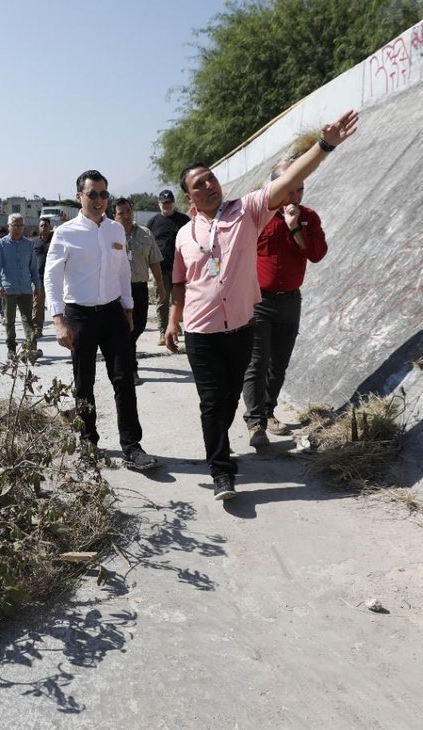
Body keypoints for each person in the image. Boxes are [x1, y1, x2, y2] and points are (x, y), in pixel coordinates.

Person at [164, 110, 358, 500]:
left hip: (239, 327)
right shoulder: (185, 234)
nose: (210, 185)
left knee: (232, 396)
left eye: (212, 178)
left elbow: (288, 179)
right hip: (201, 332)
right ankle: (221, 468)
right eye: (200, 184)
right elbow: (179, 282)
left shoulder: (247, 211)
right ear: (191, 196)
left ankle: (223, 442)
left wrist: (324, 146)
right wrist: (173, 321)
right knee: (210, 401)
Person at [44, 169, 157, 472]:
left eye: (103, 194)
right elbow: (51, 278)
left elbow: (122, 272)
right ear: (79, 195)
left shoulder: (115, 230)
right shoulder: (65, 233)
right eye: (92, 194)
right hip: (79, 316)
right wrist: (58, 321)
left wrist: (129, 308)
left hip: (113, 314)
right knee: (85, 383)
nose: (98, 200)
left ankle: (132, 447)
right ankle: (88, 442)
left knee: (124, 379)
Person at [242, 156, 329, 447]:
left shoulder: (308, 218)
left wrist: (295, 228)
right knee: (257, 361)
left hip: (290, 302)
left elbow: (316, 254)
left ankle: (268, 411)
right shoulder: (256, 217)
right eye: (289, 188)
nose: (294, 196)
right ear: (274, 187)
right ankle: (255, 423)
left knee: (279, 363)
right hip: (259, 301)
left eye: (299, 189)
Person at [113, 197, 166, 385]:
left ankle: (123, 356)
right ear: (115, 215)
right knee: (126, 329)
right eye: (121, 213)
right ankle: (130, 368)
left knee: (140, 325)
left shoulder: (145, 233)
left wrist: (160, 285)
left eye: (128, 211)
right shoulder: (110, 235)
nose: (126, 216)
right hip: (118, 290)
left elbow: (154, 261)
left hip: (139, 288)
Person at [0, 213, 42, 360]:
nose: (18, 229)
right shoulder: (1, 244)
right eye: (15, 226)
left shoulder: (28, 244)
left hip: (26, 289)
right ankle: (11, 348)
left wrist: (37, 285)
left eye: (21, 226)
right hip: (9, 289)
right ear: (9, 226)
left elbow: (33, 267)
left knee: (28, 320)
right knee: (10, 320)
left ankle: (31, 348)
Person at [148, 189, 190, 337]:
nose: (166, 205)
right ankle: (162, 331)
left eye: (169, 202)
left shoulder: (184, 220)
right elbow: (149, 246)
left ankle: (175, 324)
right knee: (162, 301)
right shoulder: (152, 222)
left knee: (180, 300)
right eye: (164, 203)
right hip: (161, 269)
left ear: (174, 203)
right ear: (159, 204)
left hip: (181, 268)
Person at [31, 216, 54, 339]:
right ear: (39, 227)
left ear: (50, 227)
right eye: (42, 225)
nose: (44, 227)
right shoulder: (34, 242)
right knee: (38, 303)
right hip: (38, 277)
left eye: (46, 225)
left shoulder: (56, 239)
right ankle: (37, 328)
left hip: (54, 277)